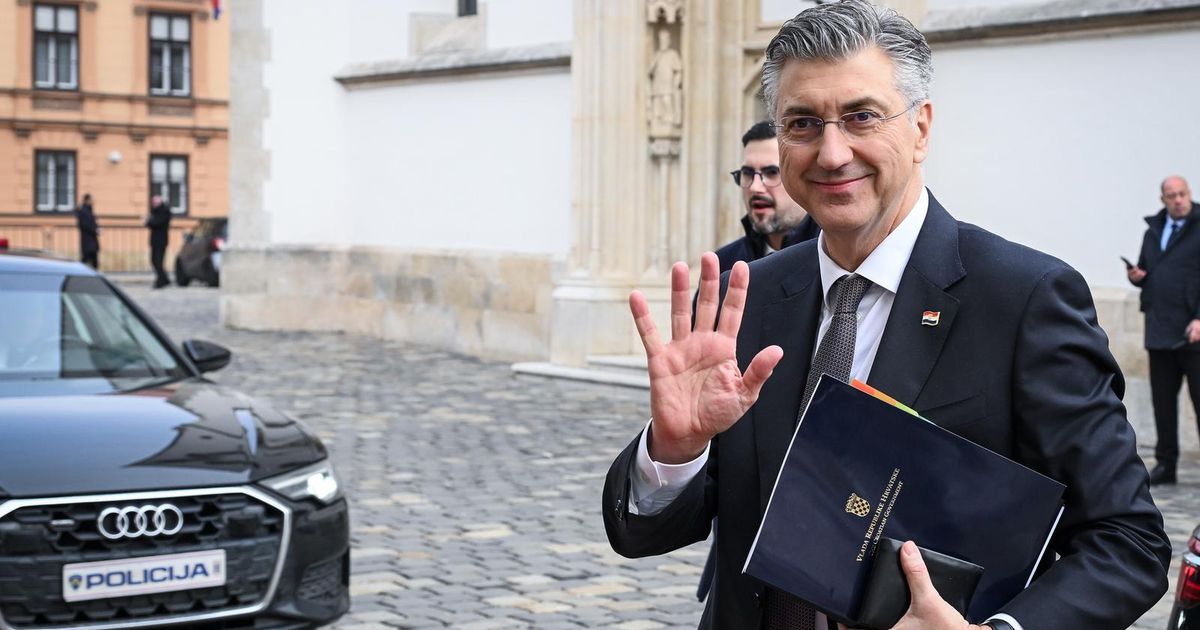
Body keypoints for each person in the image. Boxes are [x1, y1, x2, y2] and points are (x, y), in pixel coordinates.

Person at [601, 2, 1170, 629]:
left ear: (921, 127)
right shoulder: (749, 296)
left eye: (861, 116)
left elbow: (1127, 542)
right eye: (802, 123)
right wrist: (676, 451)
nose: (832, 153)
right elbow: (645, 531)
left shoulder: (1023, 299)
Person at [1127, 175, 1200, 486]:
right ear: (1163, 200)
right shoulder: (1153, 231)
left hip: (1193, 333)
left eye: (1182, 194)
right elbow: (1149, 269)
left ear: (1189, 193)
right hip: (1159, 330)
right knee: (1163, 403)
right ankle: (1166, 464)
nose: (1178, 200)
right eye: (1172, 196)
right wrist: (1137, 276)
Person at [716, 121, 820, 273]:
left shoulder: (833, 258)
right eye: (747, 173)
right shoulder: (724, 265)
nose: (755, 187)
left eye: (771, 172)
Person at [146, 195, 172, 288]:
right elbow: (152, 223)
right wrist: (149, 221)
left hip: (161, 240)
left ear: (159, 203)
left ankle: (161, 281)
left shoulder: (164, 212)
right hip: (155, 240)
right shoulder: (155, 212)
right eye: (152, 202)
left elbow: (156, 223)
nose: (153, 204)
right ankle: (164, 279)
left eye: (155, 202)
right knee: (154, 260)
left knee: (158, 261)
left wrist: (148, 221)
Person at [75, 193, 99, 270]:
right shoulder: (83, 211)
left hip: (91, 240)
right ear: (87, 200)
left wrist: (97, 228)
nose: (93, 202)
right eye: (91, 200)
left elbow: (92, 222)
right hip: (87, 239)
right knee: (86, 259)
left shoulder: (89, 210)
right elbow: (84, 225)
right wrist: (95, 230)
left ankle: (93, 274)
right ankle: (78, 272)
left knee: (93, 260)